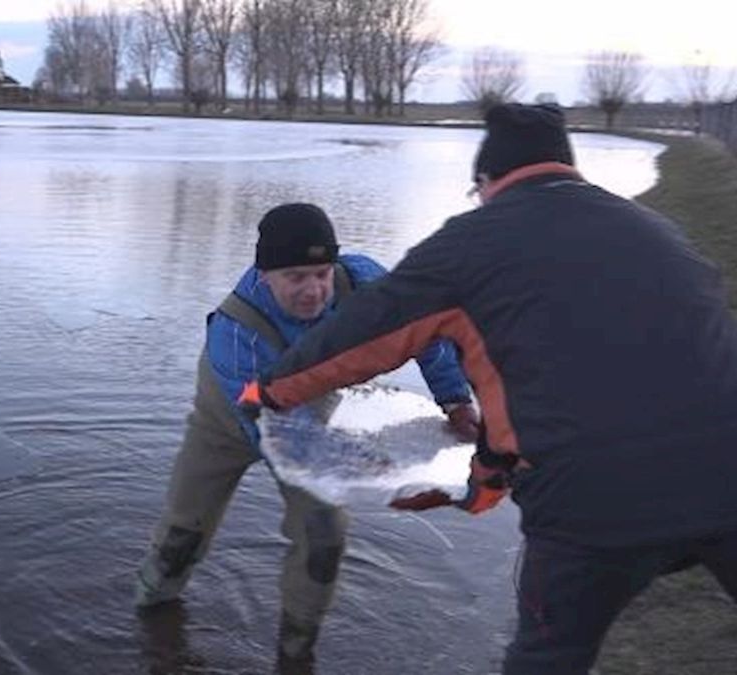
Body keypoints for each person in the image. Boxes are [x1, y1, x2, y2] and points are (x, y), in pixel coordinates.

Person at [238, 104, 737, 675]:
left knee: (548, 656)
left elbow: (359, 338)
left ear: (486, 180)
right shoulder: (658, 232)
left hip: (589, 503)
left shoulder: (467, 246)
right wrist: (481, 487)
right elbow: (558, 389)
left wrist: (267, 393)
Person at [134, 202, 478, 663]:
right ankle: (151, 611)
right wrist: (354, 461)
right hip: (231, 415)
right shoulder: (236, 333)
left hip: (313, 405)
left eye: (321, 273)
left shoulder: (362, 282)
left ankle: (296, 650)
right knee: (183, 531)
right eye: (295, 277)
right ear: (265, 276)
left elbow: (424, 332)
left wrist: (455, 400)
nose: (314, 290)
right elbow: (271, 432)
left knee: (324, 533)